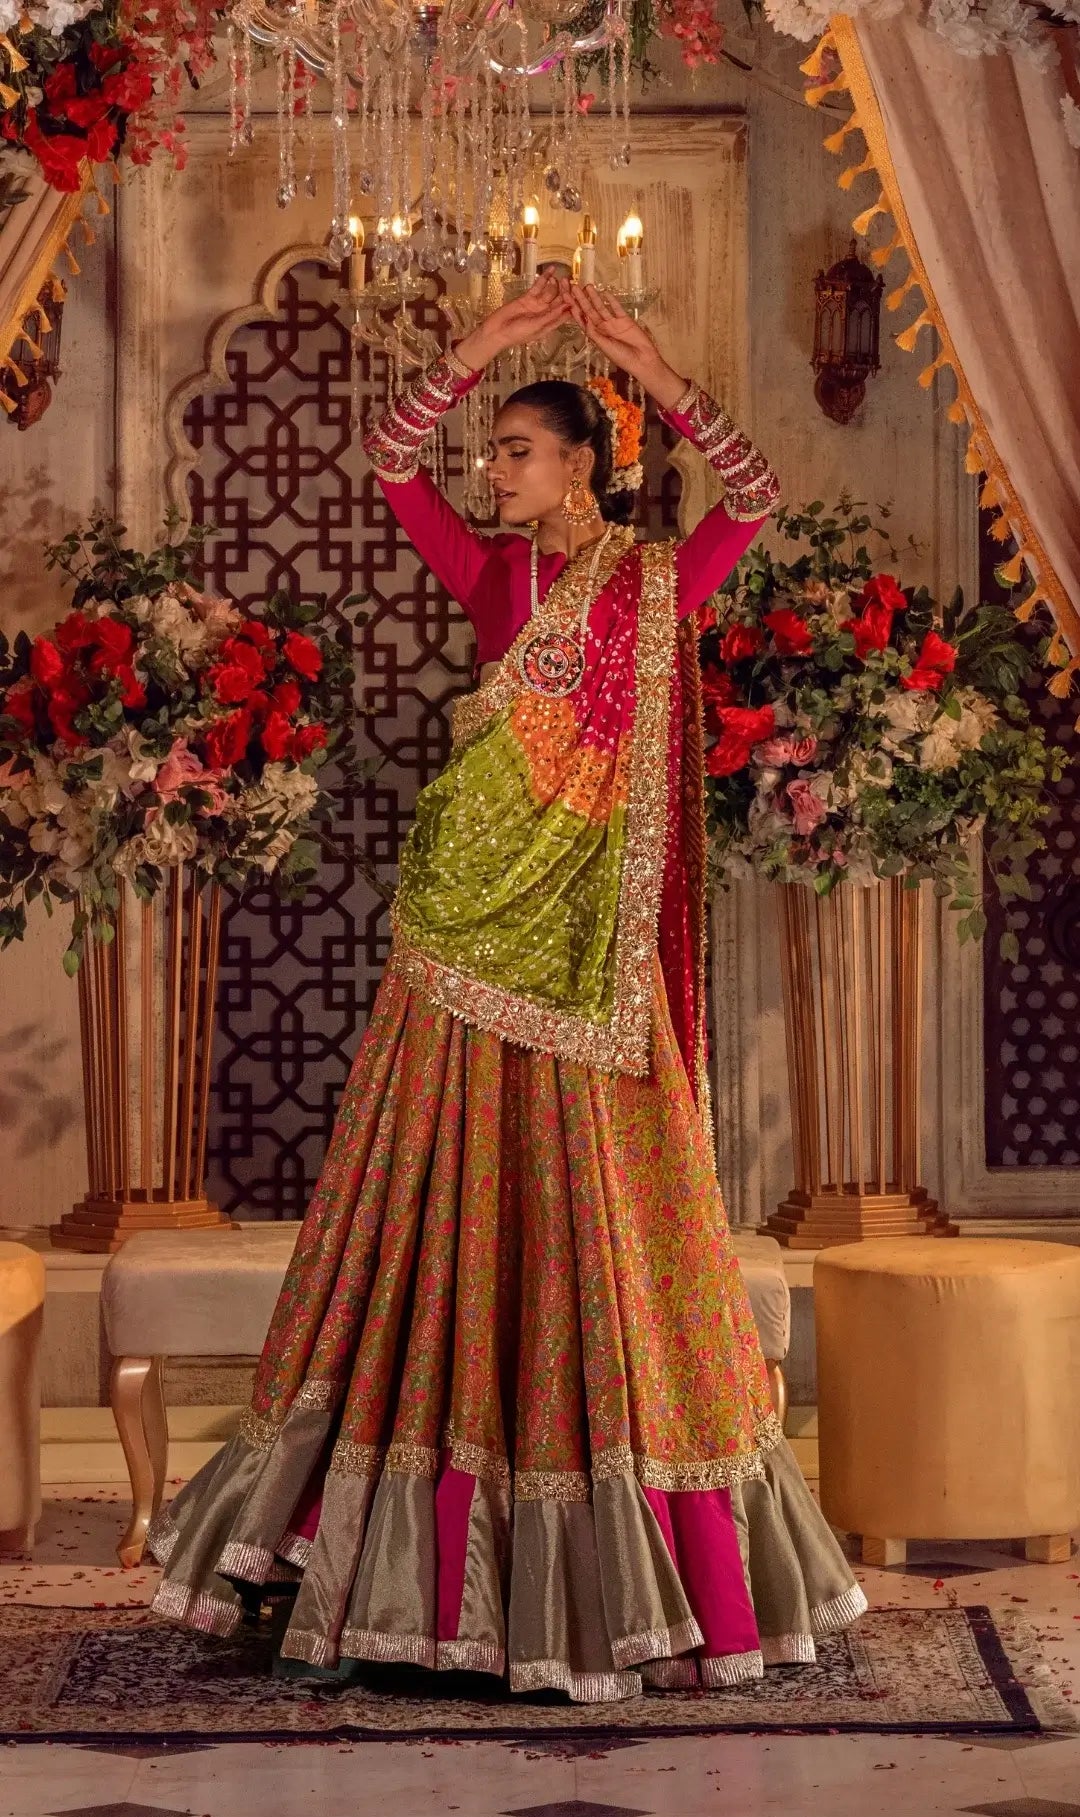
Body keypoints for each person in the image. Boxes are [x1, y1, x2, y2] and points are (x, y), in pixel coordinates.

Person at [149, 272, 866, 1699]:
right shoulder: (496, 577)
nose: (494, 473)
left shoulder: (658, 577)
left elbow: (756, 495)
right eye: (493, 453)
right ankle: (387, 1560)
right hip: (470, 933)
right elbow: (389, 466)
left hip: (592, 949)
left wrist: (657, 370)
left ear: (587, 465)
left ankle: (627, 1563)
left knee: (606, 1215)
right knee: (436, 1204)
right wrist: (473, 351)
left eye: (521, 449)